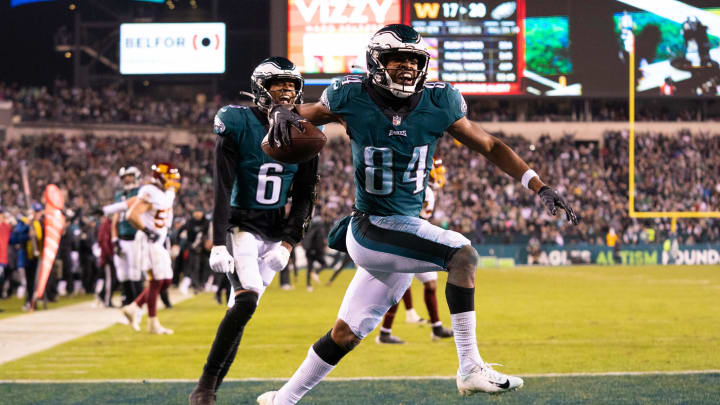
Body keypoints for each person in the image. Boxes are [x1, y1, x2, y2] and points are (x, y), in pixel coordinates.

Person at [258, 24, 578, 404]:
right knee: (463, 254)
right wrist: (279, 111)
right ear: (377, 62)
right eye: (397, 59)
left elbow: (490, 145)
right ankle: (470, 367)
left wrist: (538, 184)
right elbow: (298, 114)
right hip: (373, 225)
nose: (407, 67)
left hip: (402, 226)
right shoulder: (350, 96)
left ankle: (283, 399)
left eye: (413, 59)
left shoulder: (439, 101)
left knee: (347, 333)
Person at [188, 56, 319, 405]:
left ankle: (208, 388)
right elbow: (221, 185)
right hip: (240, 225)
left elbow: (307, 195)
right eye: (279, 85)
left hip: (275, 232)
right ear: (261, 89)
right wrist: (218, 241)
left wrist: (290, 242)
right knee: (246, 301)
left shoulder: (302, 132)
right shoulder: (237, 121)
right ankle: (204, 387)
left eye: (292, 86)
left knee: (241, 310)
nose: (287, 92)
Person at [376, 158, 453, 344]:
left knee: (430, 283)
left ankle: (436, 328)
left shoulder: (425, 190)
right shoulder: (422, 190)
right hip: (407, 241)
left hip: (416, 239)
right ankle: (385, 333)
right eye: (438, 171)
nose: (440, 175)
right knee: (399, 286)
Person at [120, 163, 180, 334]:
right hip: (148, 241)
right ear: (160, 178)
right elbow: (132, 214)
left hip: (159, 242)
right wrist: (146, 230)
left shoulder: (166, 193)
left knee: (166, 280)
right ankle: (152, 323)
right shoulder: (150, 191)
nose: (174, 182)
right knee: (155, 282)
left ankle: (134, 307)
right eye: (170, 178)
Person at [110, 166, 143, 306]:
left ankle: (137, 302)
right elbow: (115, 219)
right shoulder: (119, 194)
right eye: (124, 177)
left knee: (135, 272)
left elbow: (134, 202)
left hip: (136, 237)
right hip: (122, 238)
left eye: (129, 176)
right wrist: (114, 239)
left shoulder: (140, 192)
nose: (127, 179)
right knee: (122, 273)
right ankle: (127, 300)